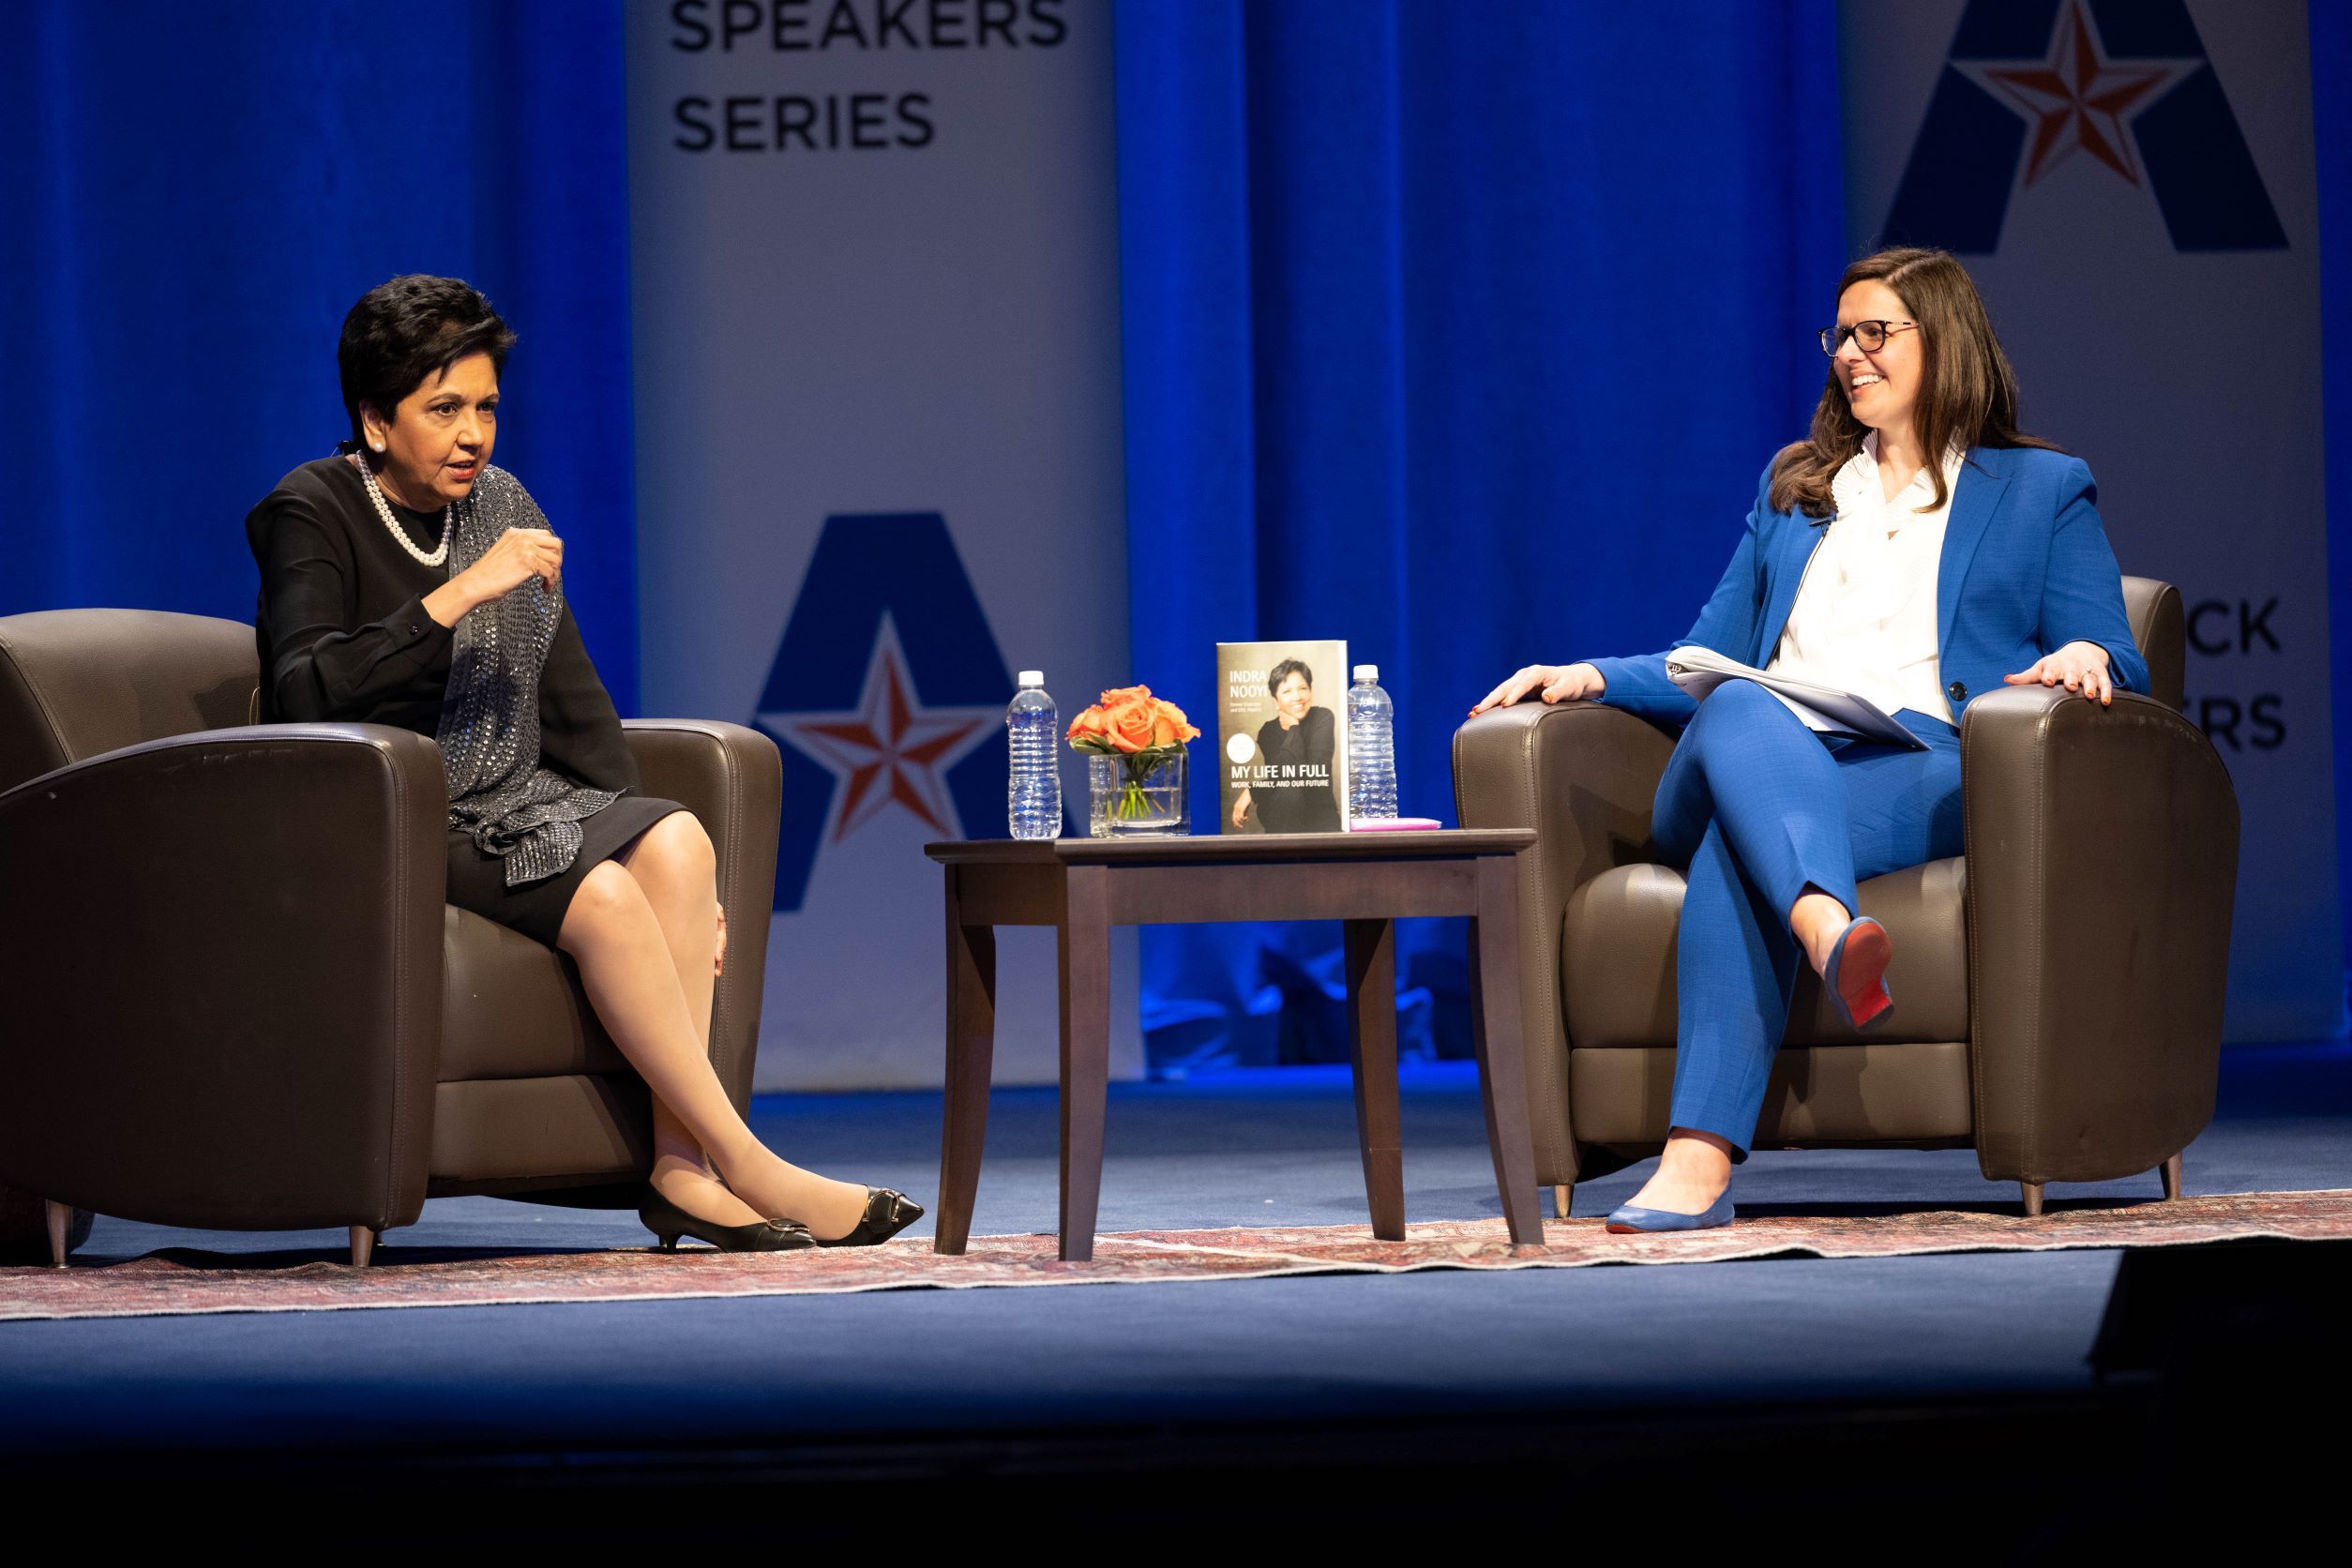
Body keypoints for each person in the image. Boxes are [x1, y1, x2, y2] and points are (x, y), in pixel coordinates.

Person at [1471, 247, 2145, 1234]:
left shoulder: (2041, 489)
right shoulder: (1799, 488)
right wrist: (1586, 676)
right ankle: (1830, 930)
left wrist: (2084, 649)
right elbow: (1706, 657)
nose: (1850, 355)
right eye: (1841, 336)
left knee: (1734, 851)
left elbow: (2119, 655)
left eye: (1877, 333)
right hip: (1754, 740)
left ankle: (1696, 1163)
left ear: (1942, 340)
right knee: (1743, 705)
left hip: (1922, 764)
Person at [248, 275, 921, 1253]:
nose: (473, 434)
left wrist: (661, 853)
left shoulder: (503, 505)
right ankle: (748, 1160)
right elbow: (311, 690)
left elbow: (568, 699)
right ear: (375, 419)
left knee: (680, 845)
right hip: (389, 814)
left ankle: (684, 1172)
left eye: (485, 408)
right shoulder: (311, 508)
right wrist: (461, 594)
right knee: (604, 899)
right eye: (443, 410)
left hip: (506, 796)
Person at [1232, 657, 1343, 833]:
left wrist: (1252, 791)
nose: (1297, 697)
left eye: (1302, 689)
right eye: (1287, 692)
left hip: (1320, 815)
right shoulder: (1268, 731)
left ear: (1311, 692)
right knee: (1289, 792)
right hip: (1282, 810)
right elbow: (1282, 775)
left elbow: (1314, 775)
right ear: (1276, 701)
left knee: (1290, 790)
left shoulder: (1323, 717)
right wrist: (1294, 728)